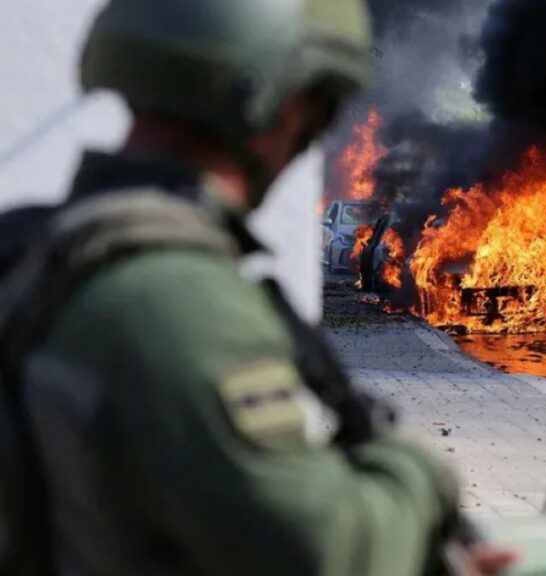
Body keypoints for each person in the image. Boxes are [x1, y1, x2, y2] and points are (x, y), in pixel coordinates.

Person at [0, 0, 516, 574]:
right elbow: (318, 553)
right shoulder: (180, 299)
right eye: (317, 109)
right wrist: (417, 475)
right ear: (280, 104)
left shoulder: (28, 247)